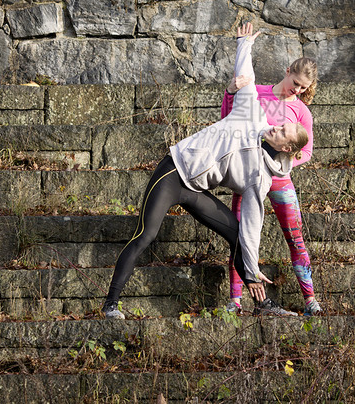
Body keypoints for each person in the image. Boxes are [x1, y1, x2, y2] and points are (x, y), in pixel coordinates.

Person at [101, 23, 308, 319]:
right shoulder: (253, 115)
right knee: (146, 234)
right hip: (174, 171)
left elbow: (251, 227)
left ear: (286, 148)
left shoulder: (261, 178)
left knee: (238, 235)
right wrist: (243, 43)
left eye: (282, 131)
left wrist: (252, 268)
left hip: (197, 189)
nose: (276, 126)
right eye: (280, 124)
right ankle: (111, 304)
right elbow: (246, 78)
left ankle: (263, 305)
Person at [221, 48, 322, 316]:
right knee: (239, 238)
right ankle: (235, 300)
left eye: (304, 87)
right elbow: (228, 121)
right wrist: (230, 93)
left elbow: (307, 151)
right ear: (287, 72)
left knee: (295, 238)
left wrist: (279, 166)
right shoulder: (257, 93)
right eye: (295, 83)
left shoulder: (301, 111)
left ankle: (310, 300)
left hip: (279, 181)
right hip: (249, 178)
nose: (298, 90)